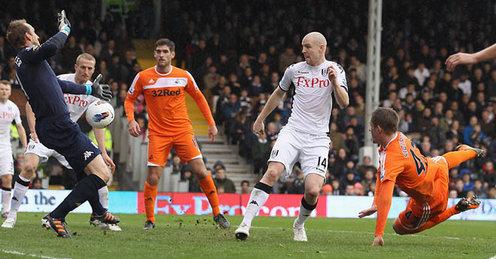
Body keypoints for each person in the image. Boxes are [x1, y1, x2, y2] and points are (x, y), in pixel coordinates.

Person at [7, 11, 116, 238]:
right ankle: (57, 215)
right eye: (34, 32)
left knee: (84, 172)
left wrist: (89, 89)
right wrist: (64, 30)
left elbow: (57, 85)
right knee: (103, 174)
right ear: (27, 37)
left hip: (54, 127)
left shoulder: (29, 63)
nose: (37, 35)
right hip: (60, 126)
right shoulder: (27, 55)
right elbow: (51, 47)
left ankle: (97, 211)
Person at [235, 31, 349, 241]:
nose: (303, 50)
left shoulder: (335, 69)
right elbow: (279, 93)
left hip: (317, 138)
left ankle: (299, 224)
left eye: (307, 46)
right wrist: (260, 119)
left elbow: (344, 103)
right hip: (293, 132)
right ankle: (245, 223)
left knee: (313, 190)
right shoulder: (294, 70)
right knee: (272, 173)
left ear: (321, 48)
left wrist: (333, 82)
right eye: (302, 46)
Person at [124, 38, 230, 230]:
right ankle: (150, 220)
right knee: (154, 176)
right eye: (158, 51)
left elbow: (199, 98)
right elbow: (129, 99)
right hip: (158, 133)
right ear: (154, 54)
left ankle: (217, 212)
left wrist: (211, 123)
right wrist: (131, 119)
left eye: (165, 51)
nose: (161, 55)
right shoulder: (143, 77)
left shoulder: (183, 75)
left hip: (182, 131)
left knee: (200, 170)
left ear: (172, 54)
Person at [358, 107, 482, 246]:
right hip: (434, 168)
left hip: (431, 198)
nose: (370, 131)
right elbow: (381, 172)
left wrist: (378, 234)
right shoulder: (399, 136)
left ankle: (457, 208)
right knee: (443, 161)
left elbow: (386, 198)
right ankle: (471, 152)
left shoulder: (392, 158)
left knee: (399, 227)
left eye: (371, 128)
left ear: (379, 129)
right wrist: (375, 203)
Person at [0, 81, 27, 218]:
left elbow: (20, 128)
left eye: (6, 89)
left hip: (4, 146)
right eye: (1, 89)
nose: (4, 91)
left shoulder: (13, 108)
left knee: (7, 177)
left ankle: (5, 210)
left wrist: (26, 146)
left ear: (10, 92)